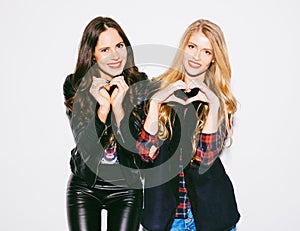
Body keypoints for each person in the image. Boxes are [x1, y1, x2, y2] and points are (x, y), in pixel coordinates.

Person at [122, 19, 240, 230]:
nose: (196, 57)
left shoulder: (220, 100)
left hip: (212, 216)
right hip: (167, 218)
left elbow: (204, 160)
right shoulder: (153, 89)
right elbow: (145, 153)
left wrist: (213, 105)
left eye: (206, 52)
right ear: (183, 48)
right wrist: (156, 103)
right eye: (192, 47)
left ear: (213, 59)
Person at [63, 16, 147, 231]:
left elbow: (137, 151)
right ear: (92, 54)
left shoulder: (139, 83)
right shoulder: (75, 85)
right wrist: (102, 110)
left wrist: (119, 109)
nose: (115, 55)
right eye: (105, 49)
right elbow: (87, 149)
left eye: (119, 46)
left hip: (126, 187)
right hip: (85, 185)